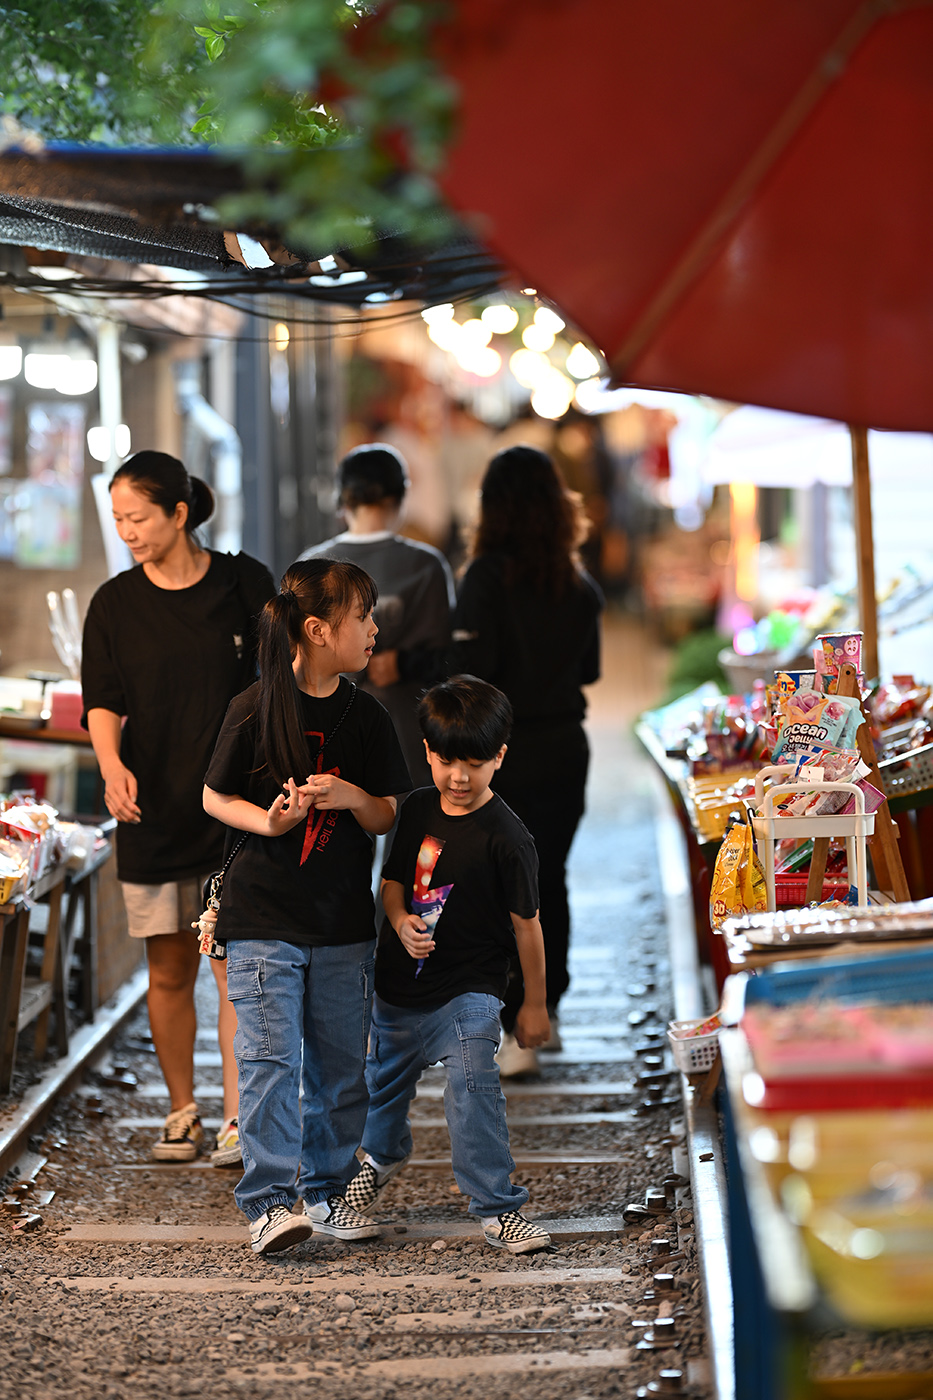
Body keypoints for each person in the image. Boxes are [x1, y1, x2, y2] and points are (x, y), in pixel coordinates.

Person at [202, 558, 411, 1256]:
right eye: (364, 617)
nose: (374, 629)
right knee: (268, 1062)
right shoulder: (254, 706)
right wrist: (269, 822)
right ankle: (268, 1203)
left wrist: (351, 797)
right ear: (318, 630)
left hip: (343, 923)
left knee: (341, 1069)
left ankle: (326, 1191)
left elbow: (388, 815)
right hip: (262, 917)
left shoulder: (366, 713)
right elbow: (214, 796)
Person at [81, 451, 275, 1165]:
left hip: (236, 813)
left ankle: (238, 1117)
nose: (127, 532)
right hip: (154, 809)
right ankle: (181, 1110)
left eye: (137, 517)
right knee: (168, 971)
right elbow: (103, 700)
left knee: (234, 971)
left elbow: (279, 680)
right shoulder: (114, 604)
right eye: (118, 520)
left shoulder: (243, 583)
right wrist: (111, 766)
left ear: (179, 512)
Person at [345, 675, 553, 1253]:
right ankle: (382, 1154)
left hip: (470, 989)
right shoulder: (415, 809)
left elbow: (527, 925)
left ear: (500, 756)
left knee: (472, 1082)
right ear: (428, 752)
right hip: (398, 990)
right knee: (381, 1089)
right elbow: (391, 883)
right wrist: (398, 921)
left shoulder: (509, 838)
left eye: (475, 763)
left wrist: (533, 1004)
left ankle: (497, 1205)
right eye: (445, 761)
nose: (459, 777)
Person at [451, 445, 604, 1076]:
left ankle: (518, 1023)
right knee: (549, 878)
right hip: (565, 748)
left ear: (494, 508)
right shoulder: (579, 584)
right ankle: (548, 1011)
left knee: (498, 886)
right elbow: (590, 670)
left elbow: (471, 672)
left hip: (504, 755)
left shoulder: (485, 578)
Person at [300, 443, 454, 785]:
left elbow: (295, 655)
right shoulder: (427, 565)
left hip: (326, 730)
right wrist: (404, 663)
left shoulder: (311, 565)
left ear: (343, 500)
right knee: (406, 810)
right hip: (409, 730)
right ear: (400, 495)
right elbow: (448, 657)